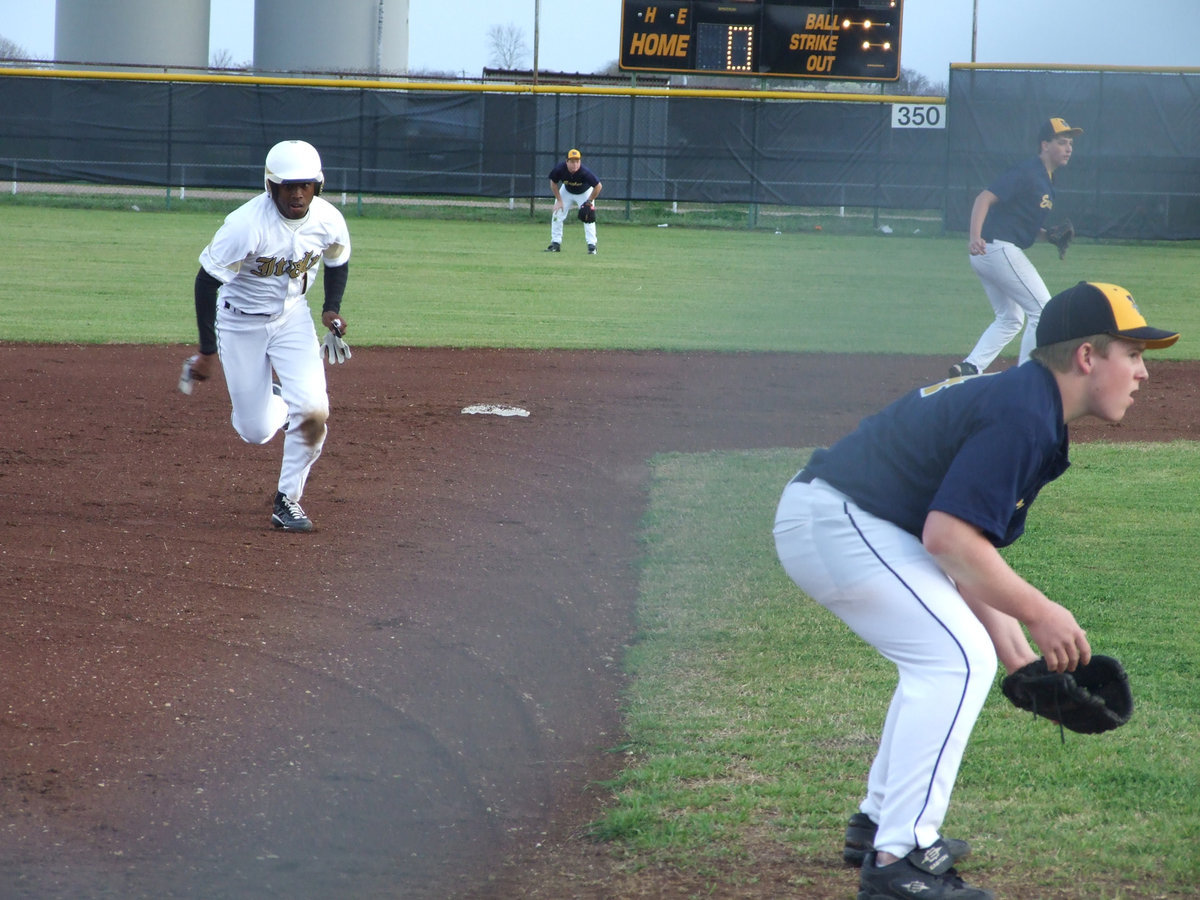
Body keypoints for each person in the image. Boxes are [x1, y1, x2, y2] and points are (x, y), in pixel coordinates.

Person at [773, 282, 1178, 900]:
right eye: (1134, 353)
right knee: (954, 658)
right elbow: (948, 539)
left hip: (849, 518)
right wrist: (1041, 612)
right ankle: (899, 860)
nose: (1144, 372)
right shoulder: (1024, 413)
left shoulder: (1031, 406)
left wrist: (1019, 657)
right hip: (839, 518)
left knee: (959, 655)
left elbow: (968, 559)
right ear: (1088, 358)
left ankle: (880, 823)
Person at [181, 139, 353, 533]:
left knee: (314, 413)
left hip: (294, 320)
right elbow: (206, 283)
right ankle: (274, 400)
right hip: (240, 324)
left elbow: (337, 258)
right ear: (271, 186)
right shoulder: (245, 225)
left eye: (305, 185)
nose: (297, 193)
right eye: (288, 185)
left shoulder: (328, 220)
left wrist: (332, 307)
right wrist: (207, 352)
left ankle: (287, 500)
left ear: (318, 186)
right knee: (256, 431)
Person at [949, 117, 1083, 379]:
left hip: (993, 251)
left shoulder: (1046, 180)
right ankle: (1027, 377)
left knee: (1011, 318)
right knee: (1043, 311)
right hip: (995, 248)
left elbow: (1019, 224)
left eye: (1070, 144)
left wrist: (1049, 236)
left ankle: (969, 367)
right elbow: (984, 198)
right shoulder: (1028, 172)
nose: (1068, 148)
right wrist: (974, 236)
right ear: (1044, 145)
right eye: (1061, 142)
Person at [545, 148, 602, 255]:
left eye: (577, 161)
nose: (575, 164)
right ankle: (555, 244)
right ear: (567, 161)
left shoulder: (585, 172)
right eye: (572, 161)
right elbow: (553, 183)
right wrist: (559, 200)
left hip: (584, 193)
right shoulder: (559, 169)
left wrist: (589, 201)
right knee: (557, 214)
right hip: (566, 191)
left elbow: (598, 186)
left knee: (588, 217)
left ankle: (592, 246)